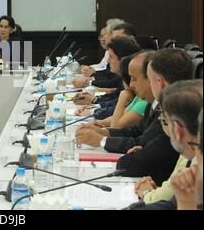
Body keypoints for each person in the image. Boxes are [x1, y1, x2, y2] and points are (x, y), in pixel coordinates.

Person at [77, 49, 192, 185]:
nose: (130, 85)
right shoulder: (155, 105)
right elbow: (137, 133)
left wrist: (102, 141)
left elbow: (130, 164)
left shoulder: (174, 118)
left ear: (158, 82)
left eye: (135, 79)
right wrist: (103, 132)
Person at [125, 82, 202, 210]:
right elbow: (172, 203)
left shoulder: (196, 166)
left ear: (178, 130)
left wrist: (186, 204)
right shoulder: (193, 158)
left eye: (164, 120)